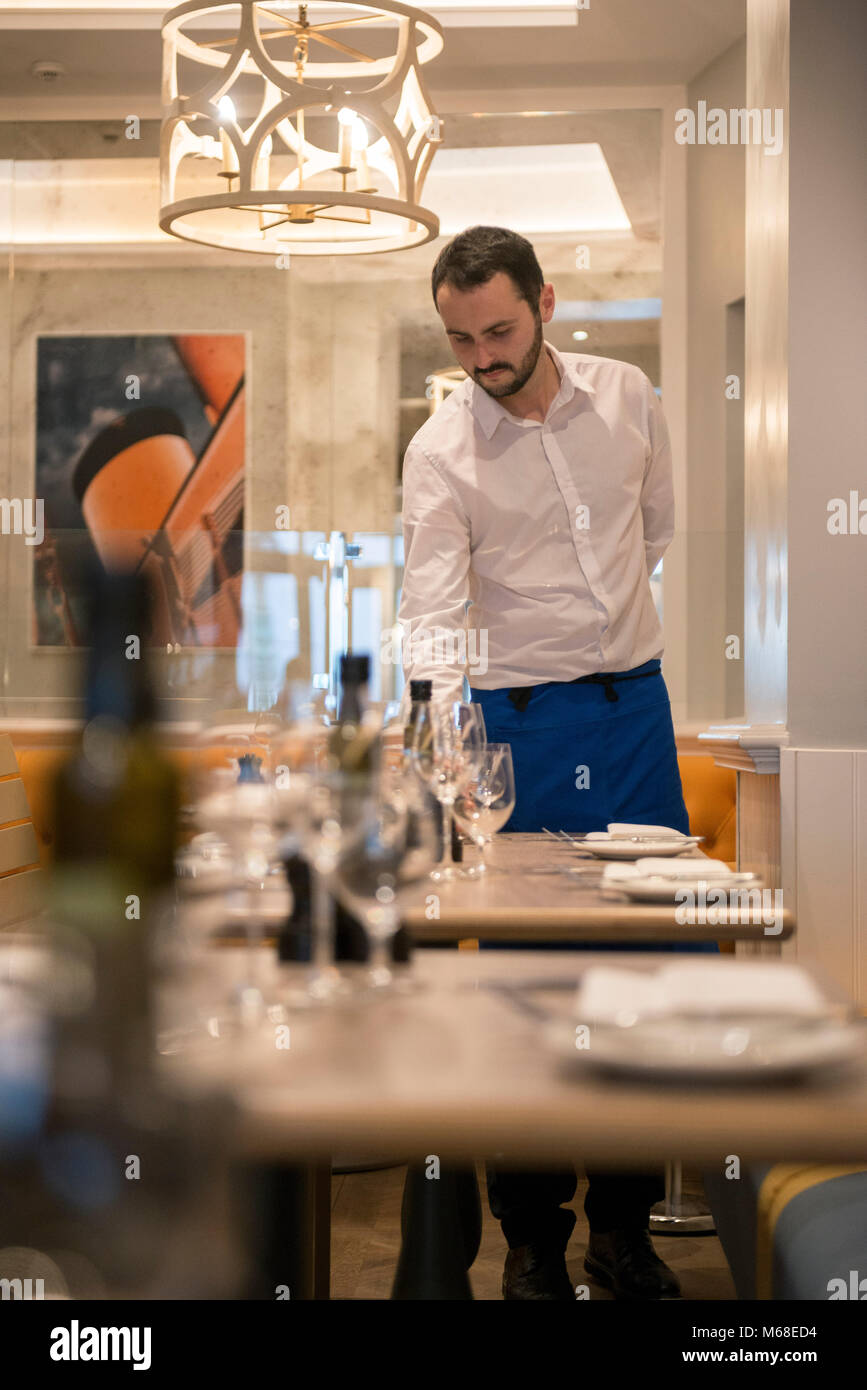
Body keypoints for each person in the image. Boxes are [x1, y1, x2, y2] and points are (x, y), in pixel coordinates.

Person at [397, 225, 717, 1302]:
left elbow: (654, 532)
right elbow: (433, 621)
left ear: (544, 302)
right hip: (518, 731)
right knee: (525, 990)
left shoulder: (627, 397)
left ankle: (622, 1235)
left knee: (641, 979)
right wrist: (440, 767)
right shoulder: (440, 450)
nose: (481, 359)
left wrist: (599, 634)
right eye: (459, 340)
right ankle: (531, 1243)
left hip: (633, 718)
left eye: (497, 331)